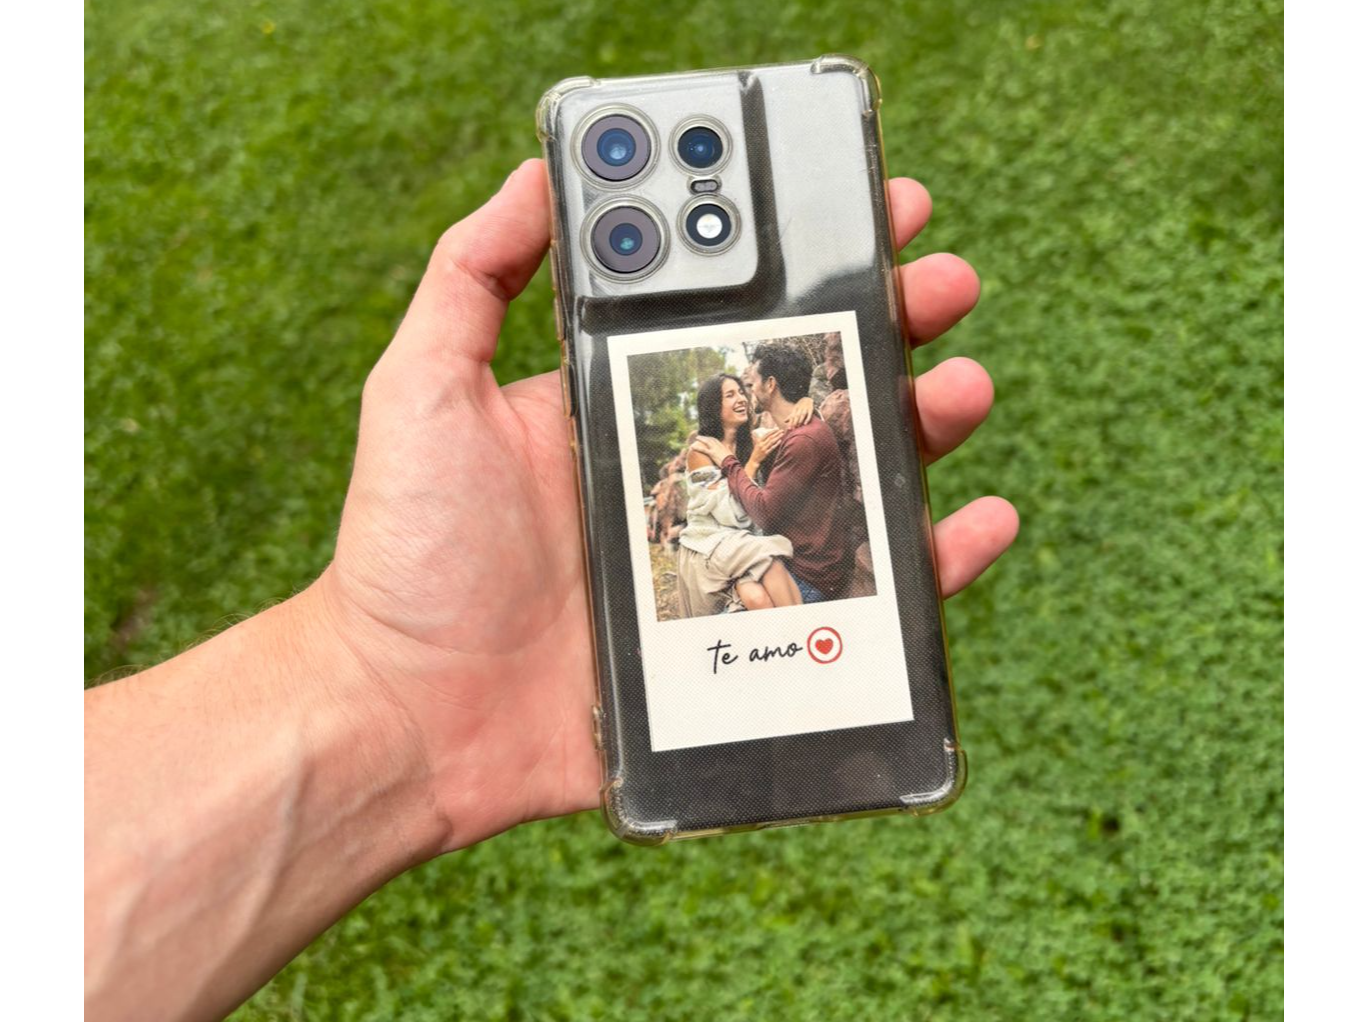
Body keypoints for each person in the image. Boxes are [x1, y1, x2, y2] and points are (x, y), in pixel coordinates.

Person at [83, 157, 1018, 1022]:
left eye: (746, 386)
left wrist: (378, 680)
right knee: (748, 577)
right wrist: (383, 672)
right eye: (731, 392)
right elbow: (694, 507)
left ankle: (797, 682)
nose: (740, 393)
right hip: (731, 551)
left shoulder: (781, 439)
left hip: (766, 553)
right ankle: (800, 683)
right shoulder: (724, 447)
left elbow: (759, 500)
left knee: (759, 576)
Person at [692, 342, 848, 603]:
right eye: (730, 395)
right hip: (771, 560)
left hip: (807, 576)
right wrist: (807, 401)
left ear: (771, 384)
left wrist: (730, 463)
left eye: (751, 384)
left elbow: (764, 513)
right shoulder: (783, 435)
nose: (747, 394)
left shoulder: (802, 439)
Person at [675, 372, 802, 616]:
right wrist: (752, 463)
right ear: (714, 406)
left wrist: (806, 403)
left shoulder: (756, 439)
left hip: (743, 541)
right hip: (711, 542)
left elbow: (798, 427)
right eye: (730, 395)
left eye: (741, 392)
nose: (741, 399)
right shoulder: (700, 452)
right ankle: (803, 626)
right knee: (771, 561)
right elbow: (730, 515)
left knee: (756, 598)